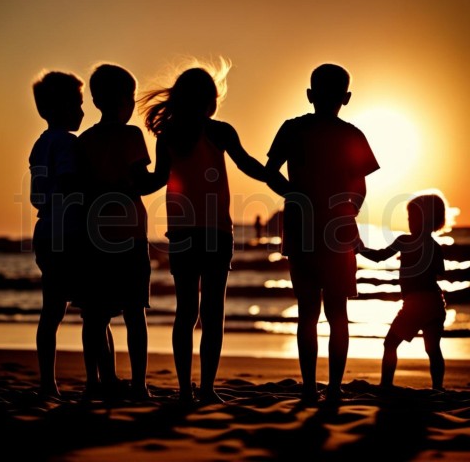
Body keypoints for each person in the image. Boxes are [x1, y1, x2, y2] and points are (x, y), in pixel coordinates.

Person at [139, 59, 283, 404]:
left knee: (185, 311)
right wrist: (279, 181)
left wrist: (123, 183)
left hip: (183, 233)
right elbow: (247, 164)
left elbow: (156, 180)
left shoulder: (168, 135)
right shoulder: (219, 131)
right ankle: (205, 390)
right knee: (212, 313)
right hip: (217, 232)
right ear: (210, 100)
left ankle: (187, 390)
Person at [264, 63, 380, 403]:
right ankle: (332, 388)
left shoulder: (293, 129)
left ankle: (310, 386)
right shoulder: (352, 134)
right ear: (346, 98)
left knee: (308, 313)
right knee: (337, 312)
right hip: (337, 232)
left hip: (301, 230)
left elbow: (270, 173)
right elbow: (360, 189)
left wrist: (295, 196)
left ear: (310, 95)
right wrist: (345, 212)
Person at [76, 63, 152, 401]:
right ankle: (138, 384)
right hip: (131, 233)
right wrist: (166, 170)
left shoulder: (85, 141)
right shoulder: (131, 136)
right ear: (124, 101)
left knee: (94, 314)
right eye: (131, 98)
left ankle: (99, 381)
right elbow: (141, 182)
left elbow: (80, 189)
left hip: (94, 234)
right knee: (135, 311)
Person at [29, 70, 85, 398]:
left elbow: (39, 193)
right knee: (93, 307)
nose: (81, 111)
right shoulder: (66, 142)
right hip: (68, 232)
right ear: (61, 108)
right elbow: (68, 181)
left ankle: (47, 382)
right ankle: (100, 377)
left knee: (52, 310)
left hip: (46, 230)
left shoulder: (40, 144)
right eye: (77, 104)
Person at [358, 192, 448, 390]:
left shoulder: (404, 241)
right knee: (433, 349)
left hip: (415, 304)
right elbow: (440, 272)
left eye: (413, 217)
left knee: (390, 344)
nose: (410, 221)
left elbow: (380, 257)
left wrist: (359, 248)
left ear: (427, 219)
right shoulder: (435, 246)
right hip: (435, 301)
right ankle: (438, 388)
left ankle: (386, 384)